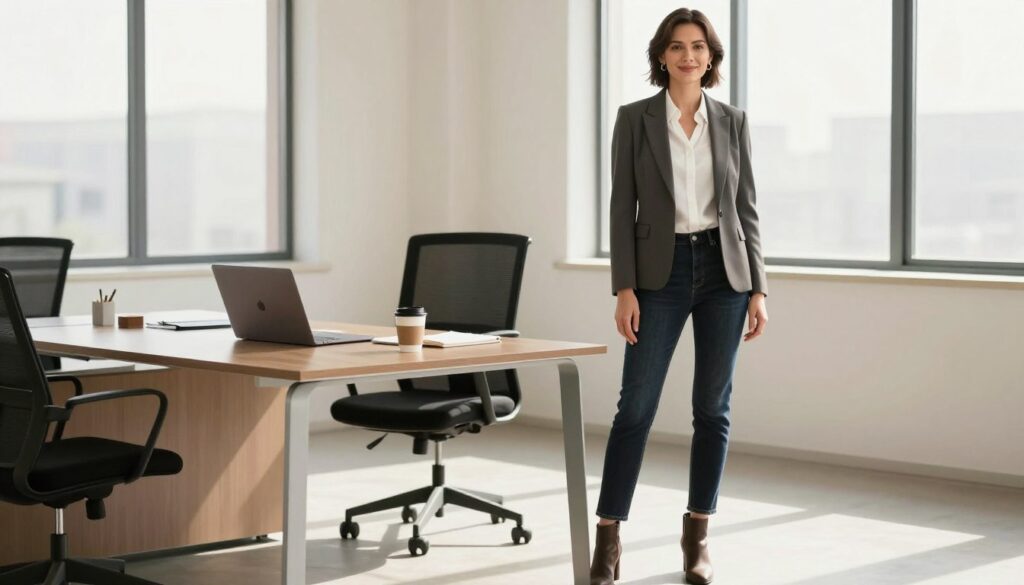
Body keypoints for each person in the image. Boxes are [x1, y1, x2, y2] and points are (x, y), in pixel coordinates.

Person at [590, 7, 768, 585]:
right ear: (661, 56)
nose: (688, 55)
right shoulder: (635, 119)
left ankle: (698, 537)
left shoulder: (733, 120)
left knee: (712, 411)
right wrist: (624, 287)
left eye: (698, 46)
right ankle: (609, 539)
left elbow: (745, 207)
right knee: (635, 409)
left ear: (710, 57)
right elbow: (622, 209)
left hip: (724, 271)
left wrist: (758, 288)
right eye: (677, 46)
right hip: (657, 273)